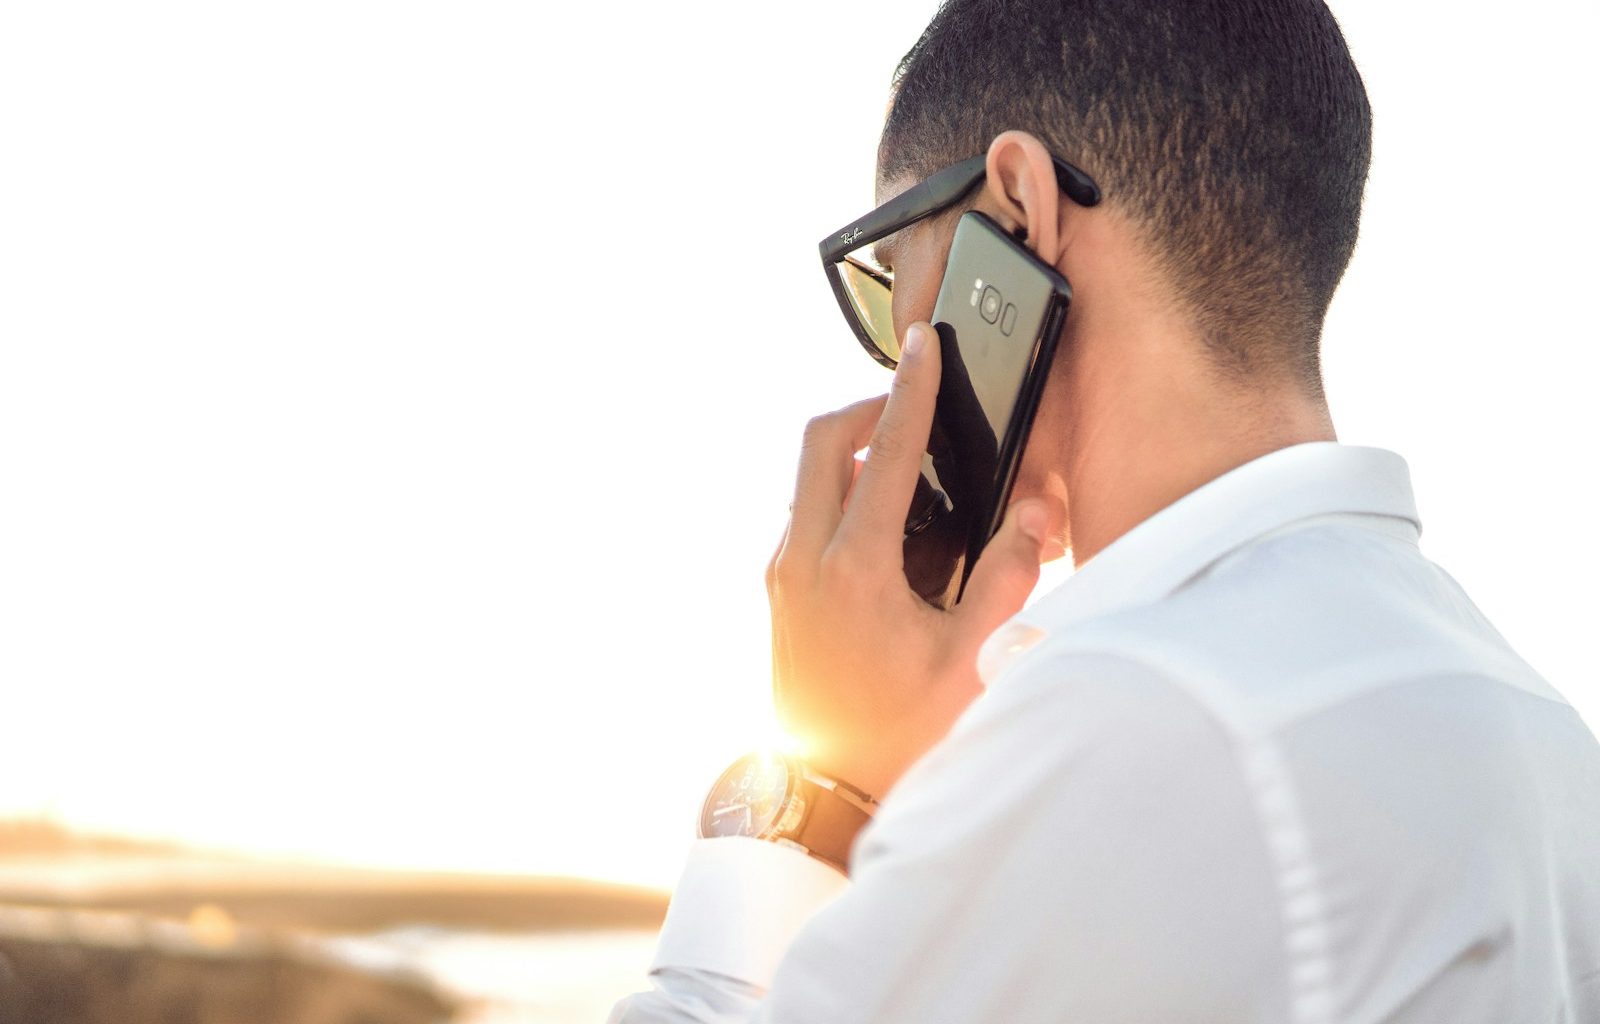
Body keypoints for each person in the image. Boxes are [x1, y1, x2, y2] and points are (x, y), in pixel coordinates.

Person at [609, 1, 1600, 1020]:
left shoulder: (1124, 725)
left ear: (1018, 214)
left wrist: (821, 791)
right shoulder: (1543, 732)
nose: (890, 347)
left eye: (891, 277)